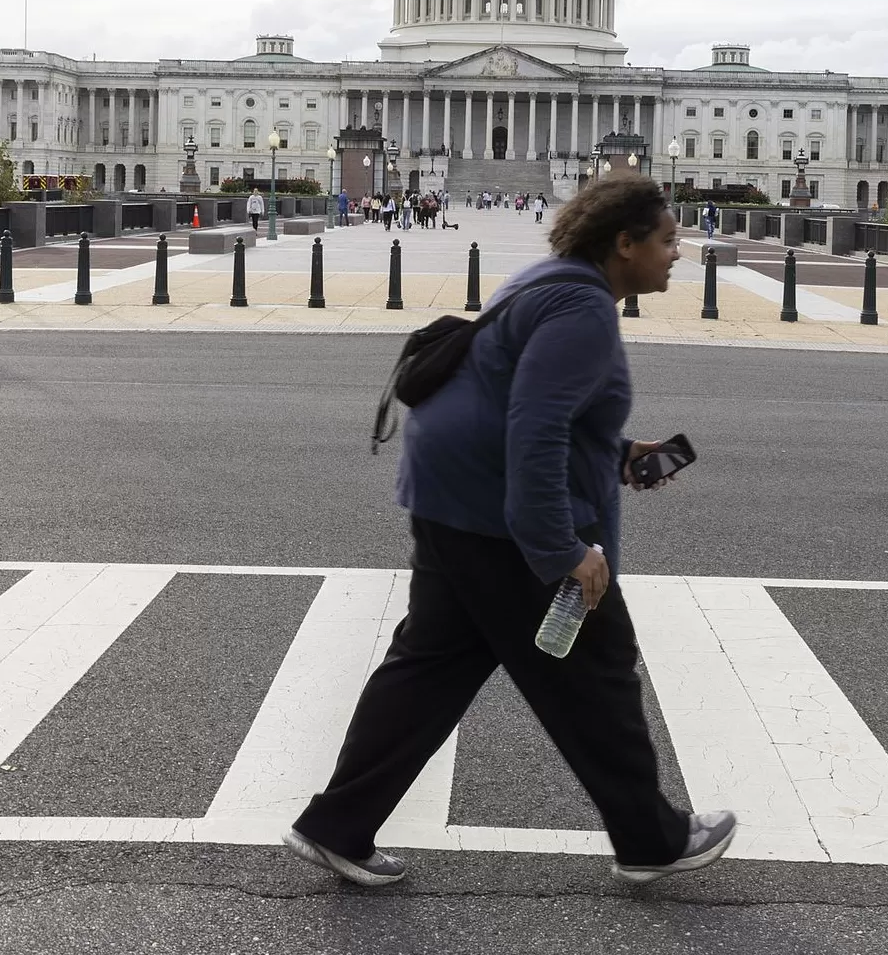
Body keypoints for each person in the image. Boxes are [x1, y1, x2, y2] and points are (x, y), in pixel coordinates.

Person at [285, 174, 735, 888]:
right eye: (668, 239)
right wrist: (560, 549)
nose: (678, 252)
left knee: (431, 668)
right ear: (625, 243)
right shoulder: (584, 309)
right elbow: (535, 426)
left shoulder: (548, 280)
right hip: (494, 509)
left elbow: (509, 394)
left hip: (449, 492)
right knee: (596, 669)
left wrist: (617, 453)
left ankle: (337, 824)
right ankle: (652, 839)